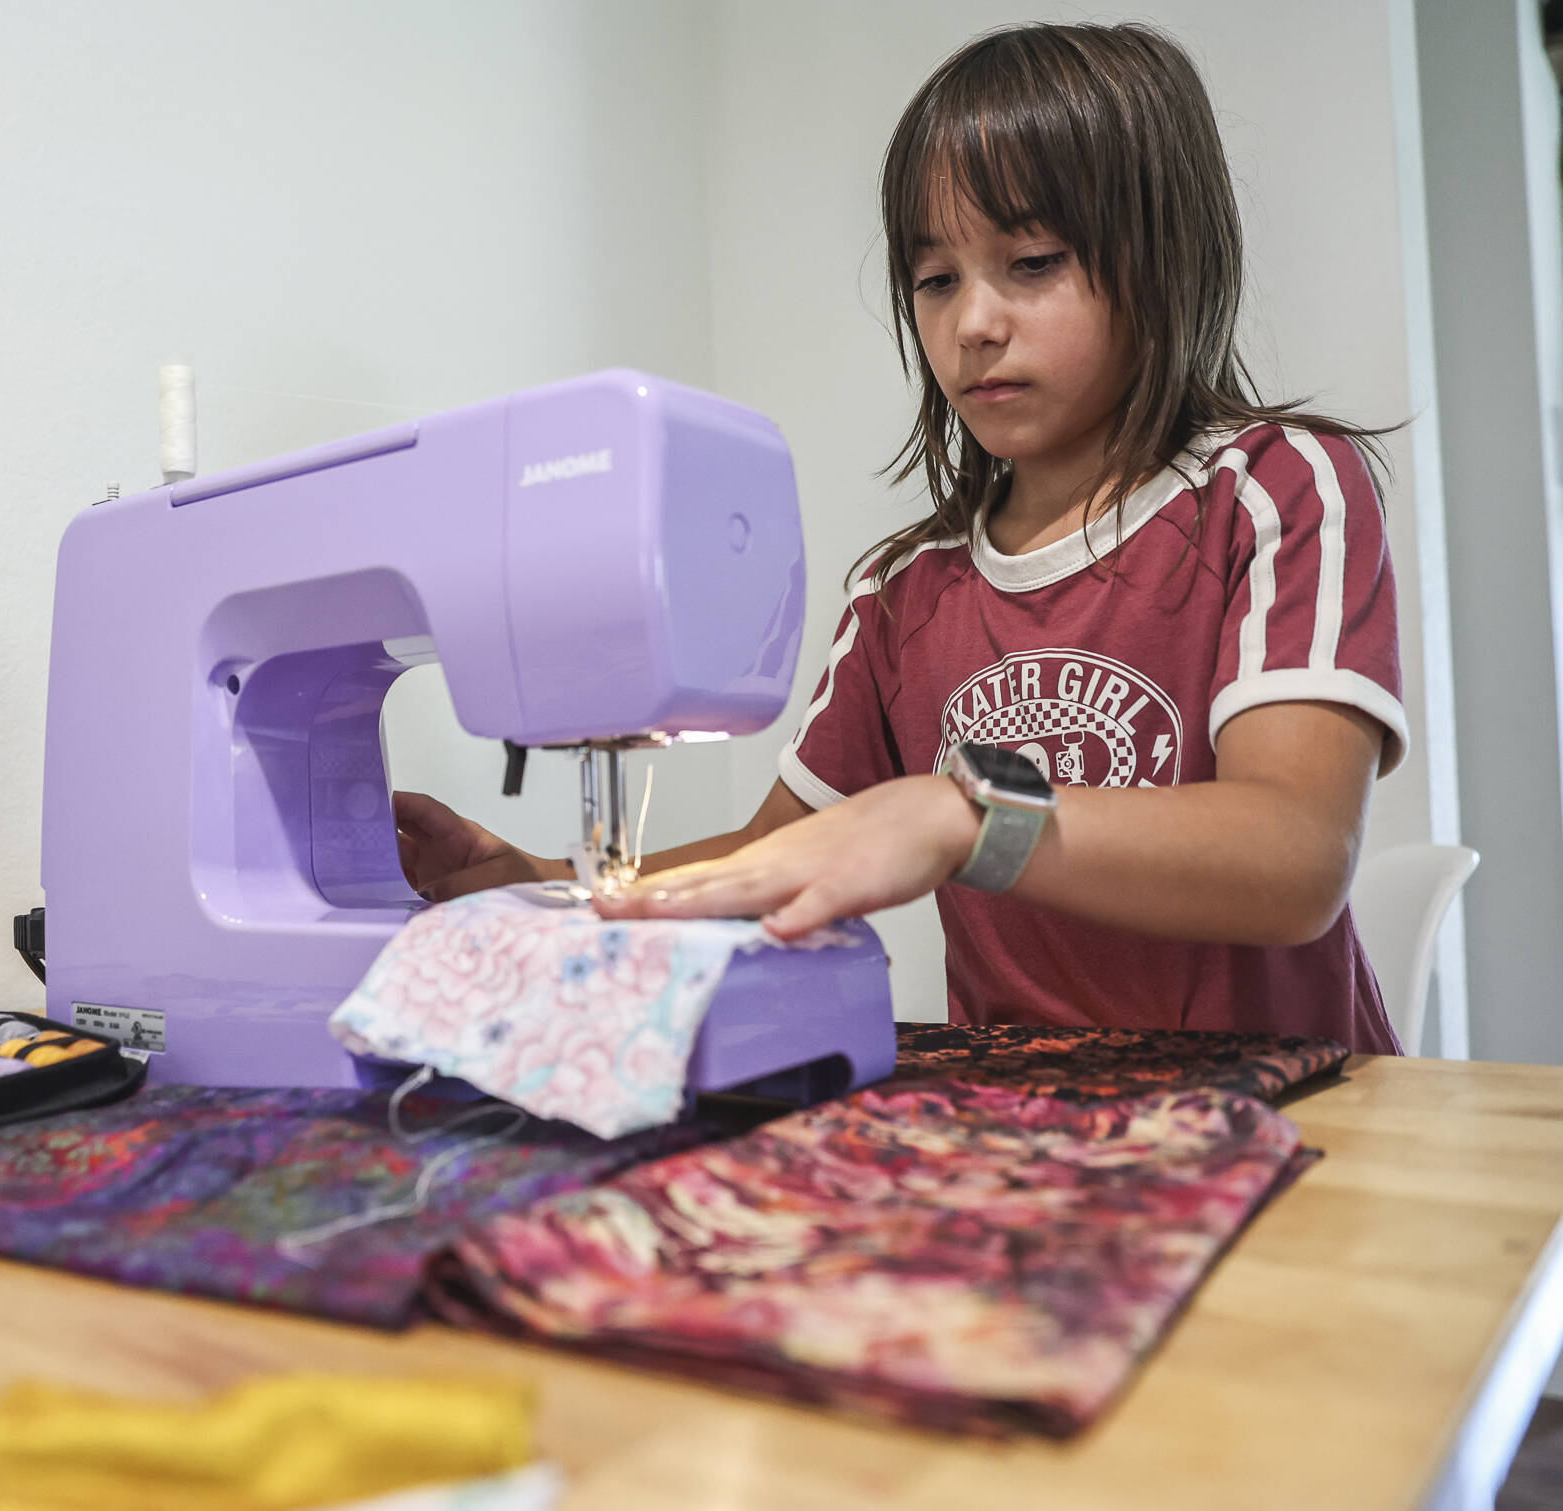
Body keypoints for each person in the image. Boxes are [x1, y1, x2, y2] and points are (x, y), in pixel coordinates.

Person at [393, 22, 1405, 1054]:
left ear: (1164, 256)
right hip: (1031, 1119)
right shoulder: (902, 593)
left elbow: (1293, 859)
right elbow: (769, 855)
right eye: (934, 280)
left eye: (1031, 261)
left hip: (1292, 1108)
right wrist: (538, 887)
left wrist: (965, 815)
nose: (970, 323)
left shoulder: (1271, 488)